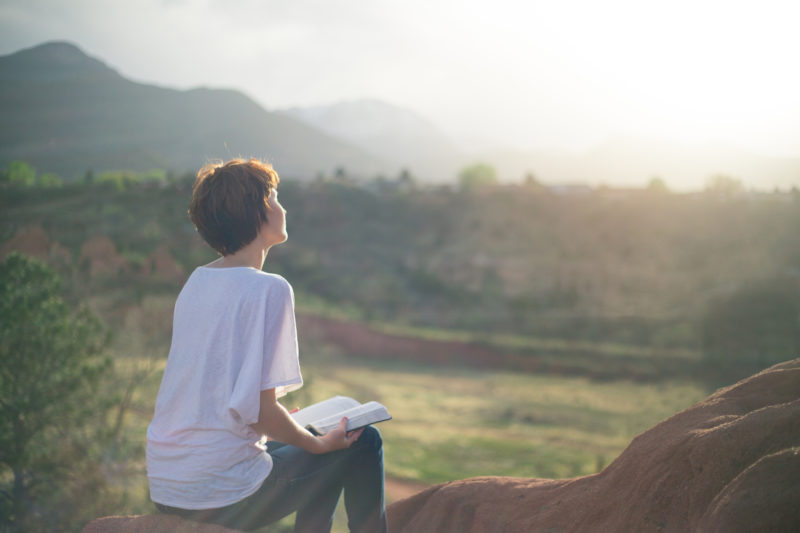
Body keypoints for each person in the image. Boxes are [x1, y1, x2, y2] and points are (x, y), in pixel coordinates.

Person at [145, 158, 386, 533]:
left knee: (314, 442)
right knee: (362, 440)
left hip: (168, 483)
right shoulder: (268, 288)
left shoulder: (196, 283)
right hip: (222, 494)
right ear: (256, 211)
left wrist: (298, 432)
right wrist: (317, 446)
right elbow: (259, 410)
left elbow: (222, 394)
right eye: (274, 196)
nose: (282, 206)